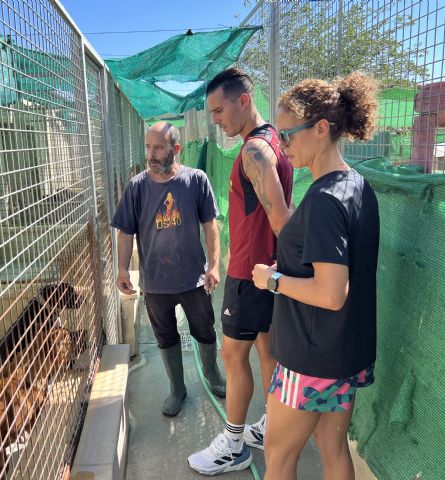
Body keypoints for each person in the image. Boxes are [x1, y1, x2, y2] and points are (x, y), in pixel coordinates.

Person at [252, 71, 380, 480]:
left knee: (278, 455)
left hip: (310, 356)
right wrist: (287, 270)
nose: (280, 146)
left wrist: (272, 281)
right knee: (332, 447)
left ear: (321, 129)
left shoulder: (324, 199)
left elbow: (330, 292)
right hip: (342, 350)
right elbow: (332, 267)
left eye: (287, 135)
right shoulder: (357, 186)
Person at [188, 68, 293, 475]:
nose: (216, 119)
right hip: (266, 273)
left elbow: (282, 219)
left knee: (233, 355)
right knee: (267, 351)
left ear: (244, 101)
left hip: (251, 275)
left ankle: (234, 445)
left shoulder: (255, 151)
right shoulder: (275, 145)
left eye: (219, 110)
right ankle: (269, 426)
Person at [111, 121, 226, 417]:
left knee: (204, 330)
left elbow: (210, 226)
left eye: (159, 147)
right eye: (149, 147)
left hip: (193, 279)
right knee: (166, 337)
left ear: (175, 149)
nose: (151, 153)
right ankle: (177, 388)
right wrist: (122, 268)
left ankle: (212, 375)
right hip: (156, 283)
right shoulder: (136, 187)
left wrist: (214, 266)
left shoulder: (195, 180)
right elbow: (125, 231)